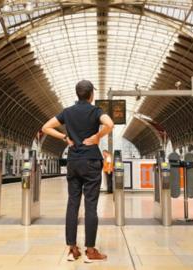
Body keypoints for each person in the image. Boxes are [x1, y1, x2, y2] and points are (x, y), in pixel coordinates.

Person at [42, 80, 114, 263]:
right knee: (90, 206)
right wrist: (97, 137)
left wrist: (65, 137)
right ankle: (90, 250)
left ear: (77, 94)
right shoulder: (95, 111)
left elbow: (46, 127)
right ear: (91, 95)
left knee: (72, 204)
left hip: (73, 161)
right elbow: (110, 124)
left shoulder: (67, 112)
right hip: (90, 161)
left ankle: (72, 249)